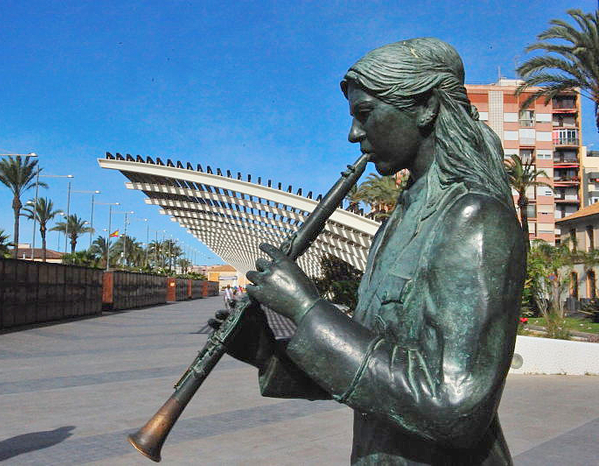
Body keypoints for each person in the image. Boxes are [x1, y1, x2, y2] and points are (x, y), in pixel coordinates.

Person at [210, 38, 525, 465]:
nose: (354, 133)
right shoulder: (398, 222)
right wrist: (263, 347)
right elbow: (371, 366)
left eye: (365, 114)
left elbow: (455, 406)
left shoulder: (475, 218)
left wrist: (306, 309)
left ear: (426, 108)